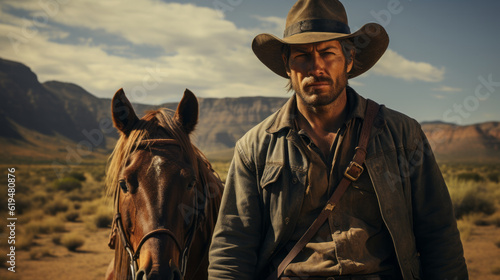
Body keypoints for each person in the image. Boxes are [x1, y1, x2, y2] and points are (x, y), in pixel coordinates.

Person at [208, 0, 468, 279]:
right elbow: (232, 248)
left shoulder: (402, 135)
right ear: (287, 65)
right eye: (302, 55)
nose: (316, 66)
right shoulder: (254, 147)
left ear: (349, 59)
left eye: (327, 53)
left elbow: (439, 234)